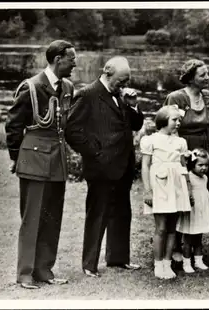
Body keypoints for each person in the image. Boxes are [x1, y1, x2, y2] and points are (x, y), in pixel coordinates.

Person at [5, 40, 77, 289]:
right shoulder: (31, 87)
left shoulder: (68, 87)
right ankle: (25, 273)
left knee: (52, 217)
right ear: (58, 59)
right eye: (71, 59)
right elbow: (14, 126)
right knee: (32, 217)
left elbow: (69, 125)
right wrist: (16, 158)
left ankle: (44, 269)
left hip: (57, 160)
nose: (74, 64)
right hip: (33, 158)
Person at [65, 56, 144, 278]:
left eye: (127, 81)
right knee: (97, 214)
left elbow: (136, 125)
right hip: (101, 167)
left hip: (123, 166)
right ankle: (89, 265)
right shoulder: (87, 94)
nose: (125, 85)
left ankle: (118, 258)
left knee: (121, 212)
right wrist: (95, 153)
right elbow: (72, 130)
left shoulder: (122, 95)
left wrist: (133, 105)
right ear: (108, 73)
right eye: (121, 81)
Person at [163, 59, 209, 263]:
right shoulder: (176, 97)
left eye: (207, 74)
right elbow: (168, 128)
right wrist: (177, 156)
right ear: (190, 77)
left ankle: (195, 244)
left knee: (199, 195)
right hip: (181, 150)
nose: (207, 78)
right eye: (202, 75)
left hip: (202, 150)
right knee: (179, 196)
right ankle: (175, 244)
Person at [140, 105, 193, 279]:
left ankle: (167, 263)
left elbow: (183, 167)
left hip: (176, 185)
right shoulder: (151, 140)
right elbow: (145, 166)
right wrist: (147, 191)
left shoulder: (181, 142)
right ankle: (158, 264)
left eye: (179, 120)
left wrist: (188, 188)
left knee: (172, 228)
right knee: (161, 227)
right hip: (160, 185)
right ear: (163, 121)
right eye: (174, 120)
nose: (178, 123)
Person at [176, 148, 209, 273]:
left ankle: (198, 261)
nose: (204, 168)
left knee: (198, 237)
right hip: (191, 211)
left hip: (201, 211)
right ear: (193, 164)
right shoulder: (189, 178)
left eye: (206, 165)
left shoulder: (204, 178)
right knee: (188, 238)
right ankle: (186, 262)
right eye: (200, 165)